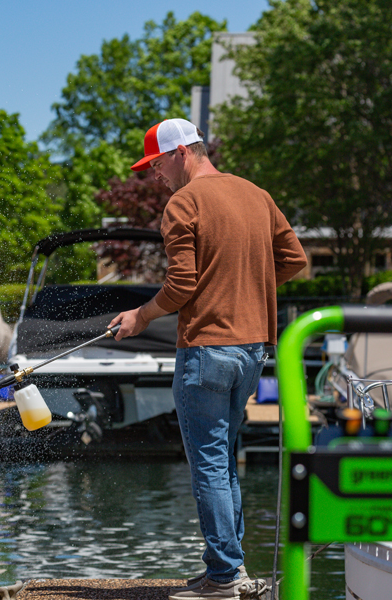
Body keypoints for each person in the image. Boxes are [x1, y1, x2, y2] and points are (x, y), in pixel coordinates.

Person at [108, 118, 307, 600]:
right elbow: (295, 260)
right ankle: (228, 568)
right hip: (253, 349)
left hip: (206, 350)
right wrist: (244, 285)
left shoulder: (185, 203)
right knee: (224, 459)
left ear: (182, 153)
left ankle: (222, 578)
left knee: (210, 462)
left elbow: (181, 287)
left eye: (156, 163)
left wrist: (140, 315)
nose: (154, 175)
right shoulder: (257, 195)